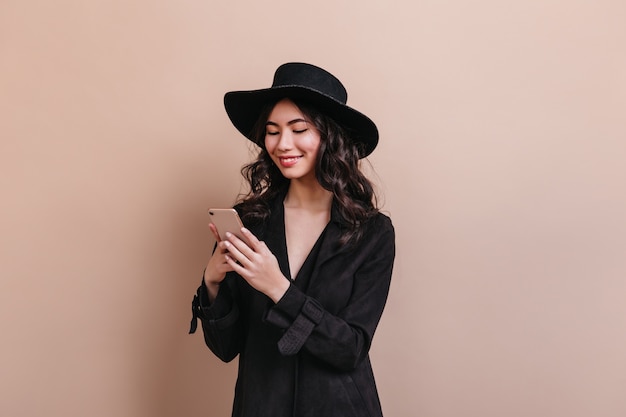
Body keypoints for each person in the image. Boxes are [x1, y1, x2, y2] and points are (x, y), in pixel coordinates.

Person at [189, 62, 395, 417]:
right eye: (272, 131)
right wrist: (211, 284)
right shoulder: (250, 223)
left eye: (299, 129)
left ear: (330, 137)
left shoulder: (371, 232)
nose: (282, 144)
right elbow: (226, 347)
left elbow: (350, 349)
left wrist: (279, 289)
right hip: (260, 404)